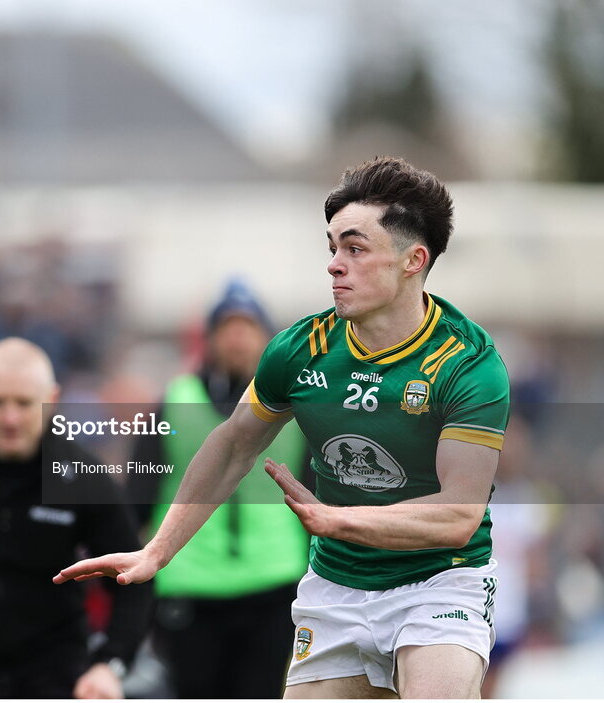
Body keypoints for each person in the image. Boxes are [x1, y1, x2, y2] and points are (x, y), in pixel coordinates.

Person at [55, 157, 510, 699]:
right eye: (333, 248)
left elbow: (457, 517)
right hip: (337, 586)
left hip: (440, 582)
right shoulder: (300, 350)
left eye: (355, 248)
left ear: (414, 260)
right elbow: (230, 447)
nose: (335, 265)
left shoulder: (470, 365)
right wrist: (157, 551)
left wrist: (339, 519)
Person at [0, 338, 152, 699]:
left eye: (24, 404)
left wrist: (109, 665)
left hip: (53, 675)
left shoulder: (83, 475)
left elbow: (134, 580)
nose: (10, 418)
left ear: (52, 399)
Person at [129, 279, 309, 698]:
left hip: (274, 579)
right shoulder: (174, 401)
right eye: (227, 328)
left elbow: (321, 492)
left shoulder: (297, 407)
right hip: (191, 583)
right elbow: (138, 494)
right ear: (209, 339)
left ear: (266, 338)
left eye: (248, 327)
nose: (237, 339)